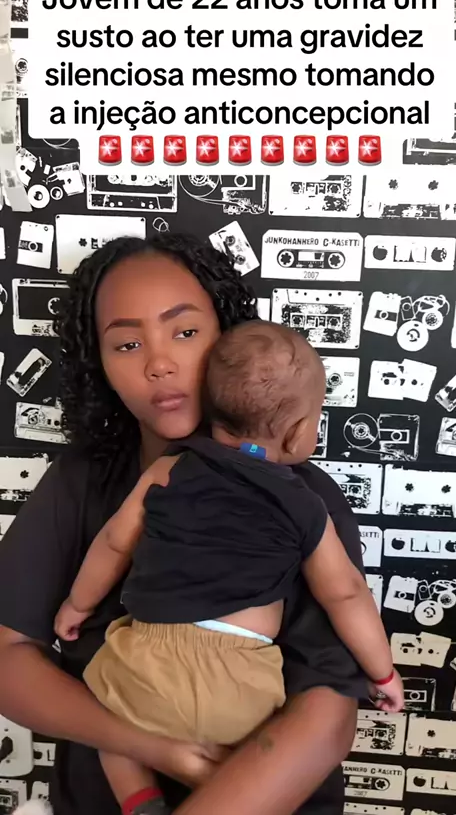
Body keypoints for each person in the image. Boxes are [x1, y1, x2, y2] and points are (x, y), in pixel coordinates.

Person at [0, 233, 369, 815]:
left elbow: (328, 712)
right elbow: (7, 656)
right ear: (100, 365)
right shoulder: (80, 482)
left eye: (186, 332)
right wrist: (153, 749)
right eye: (127, 343)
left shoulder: (303, 497)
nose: (159, 363)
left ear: (229, 340)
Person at [53, 319, 403, 815]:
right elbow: (345, 593)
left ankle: (140, 800)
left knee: (105, 713)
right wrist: (382, 673)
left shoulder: (168, 470)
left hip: (145, 664)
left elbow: (114, 543)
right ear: (299, 433)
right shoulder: (306, 505)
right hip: (242, 686)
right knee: (261, 750)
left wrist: (77, 604)